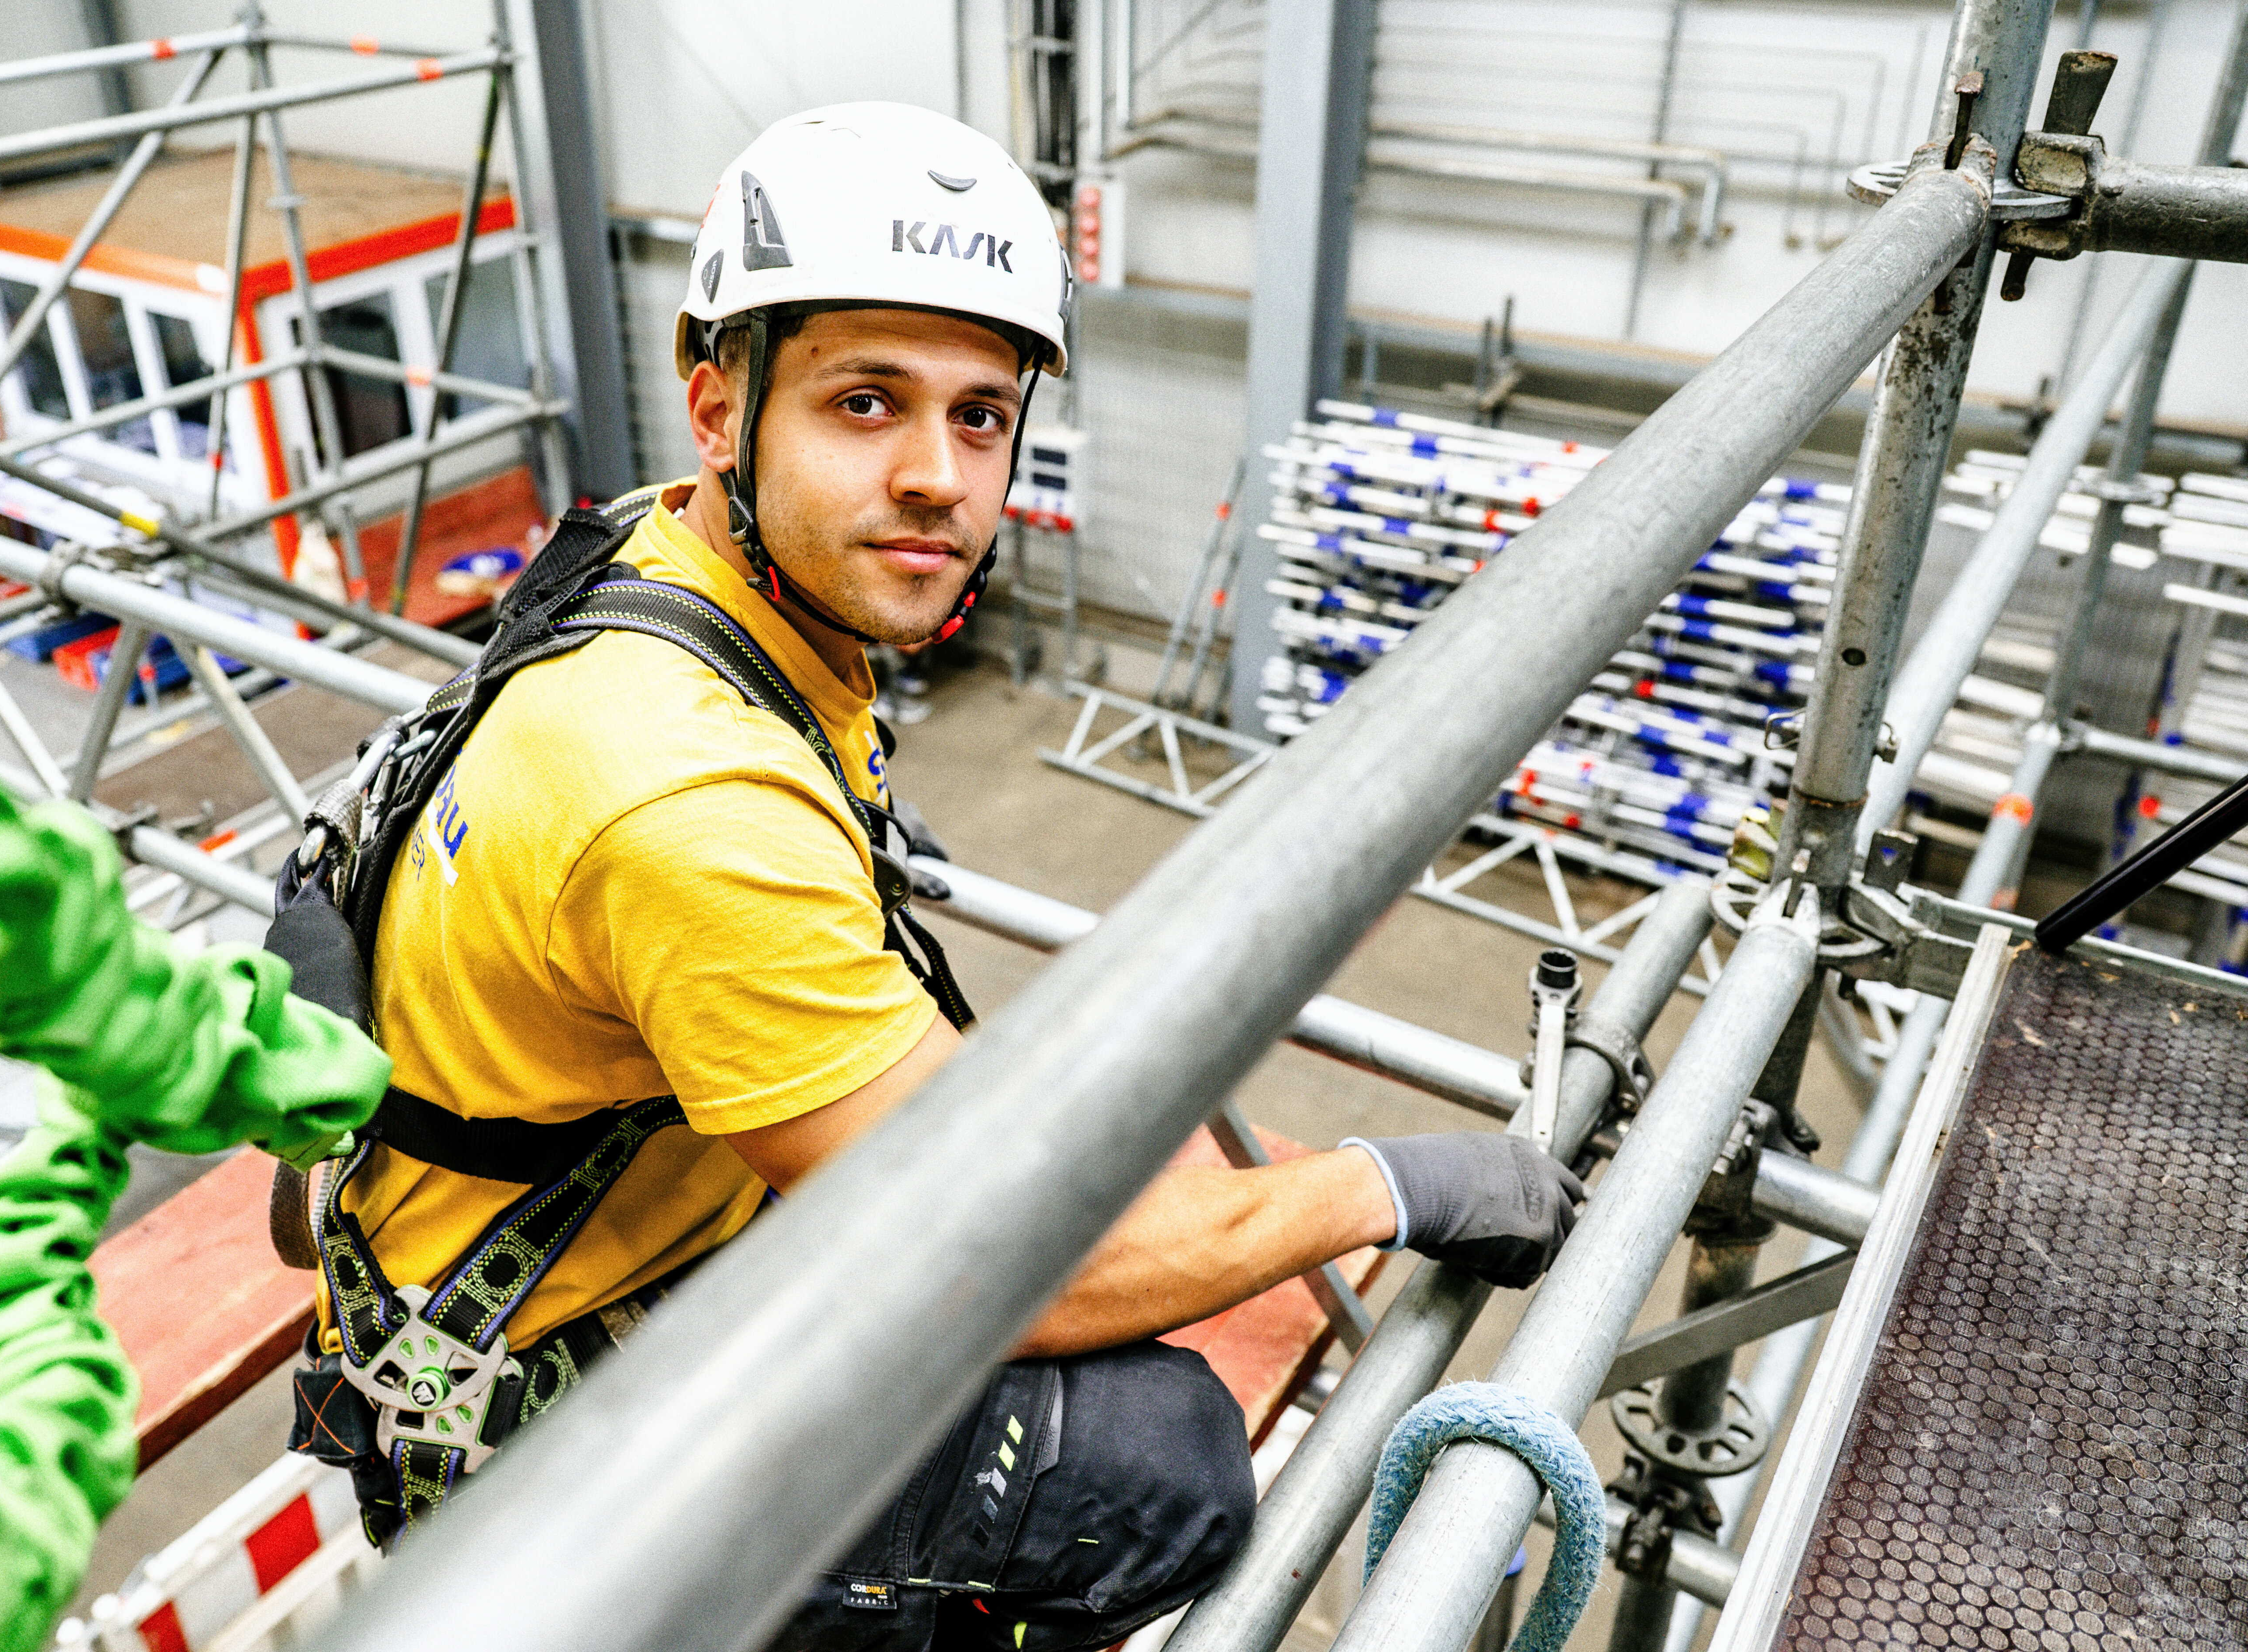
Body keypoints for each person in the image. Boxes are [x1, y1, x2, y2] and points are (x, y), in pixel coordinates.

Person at [312, 102, 1583, 1649]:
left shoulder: (640, 563)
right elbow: (1005, 1268)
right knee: (1161, 1465)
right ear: (718, 410)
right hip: (542, 1436)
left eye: (977, 417)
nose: (934, 476)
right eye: (864, 402)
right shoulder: (687, 796)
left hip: (513, 1263)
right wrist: (1383, 1186)